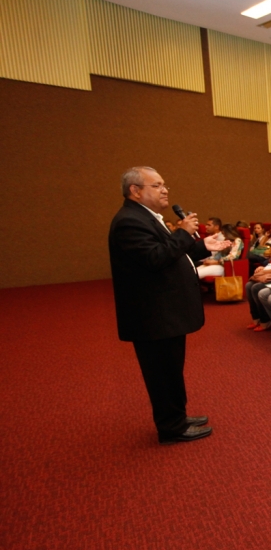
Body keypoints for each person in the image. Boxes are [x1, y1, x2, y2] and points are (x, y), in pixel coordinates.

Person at [108, 166, 230, 444]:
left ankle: (178, 416)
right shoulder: (130, 221)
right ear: (135, 191)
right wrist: (185, 233)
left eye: (165, 185)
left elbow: (173, 255)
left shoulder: (147, 217)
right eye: (157, 185)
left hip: (164, 312)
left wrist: (201, 247)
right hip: (153, 315)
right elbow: (155, 259)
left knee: (171, 369)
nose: (165, 190)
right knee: (162, 373)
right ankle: (171, 427)